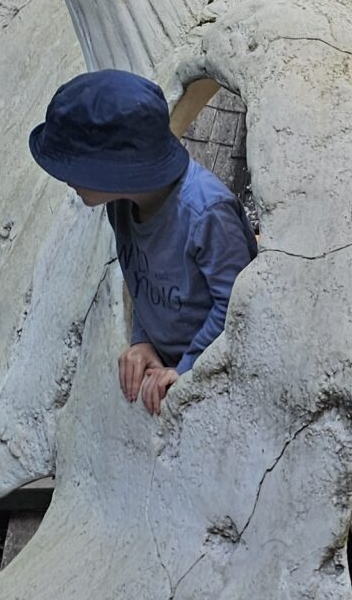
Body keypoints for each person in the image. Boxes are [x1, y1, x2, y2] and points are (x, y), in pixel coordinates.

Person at [29, 69, 255, 415]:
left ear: (116, 168)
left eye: (74, 166)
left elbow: (238, 309)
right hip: (167, 365)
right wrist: (143, 341)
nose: (66, 178)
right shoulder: (121, 205)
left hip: (220, 385)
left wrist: (186, 371)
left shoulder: (206, 212)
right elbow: (140, 278)